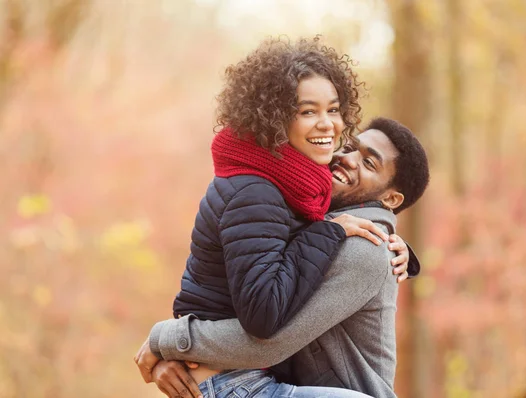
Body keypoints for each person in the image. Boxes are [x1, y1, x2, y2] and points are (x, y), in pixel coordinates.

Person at [136, 37, 411, 398]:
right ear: (276, 117)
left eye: (333, 110)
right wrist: (167, 343)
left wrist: (399, 247)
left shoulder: (292, 188)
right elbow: (264, 317)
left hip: (243, 377)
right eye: (307, 111)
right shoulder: (260, 192)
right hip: (232, 381)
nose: (328, 125)